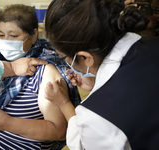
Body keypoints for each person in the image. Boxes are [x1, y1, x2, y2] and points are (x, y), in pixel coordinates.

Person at [0, 4, 80, 150]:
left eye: (14, 35)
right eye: (1, 35)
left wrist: (9, 123)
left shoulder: (45, 70)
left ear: (34, 35)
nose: (5, 41)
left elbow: (60, 131)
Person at [44, 0, 159, 149]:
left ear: (86, 58)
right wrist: (97, 85)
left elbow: (87, 142)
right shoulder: (153, 44)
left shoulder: (97, 118)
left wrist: (64, 103)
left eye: (63, 56)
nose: (65, 62)